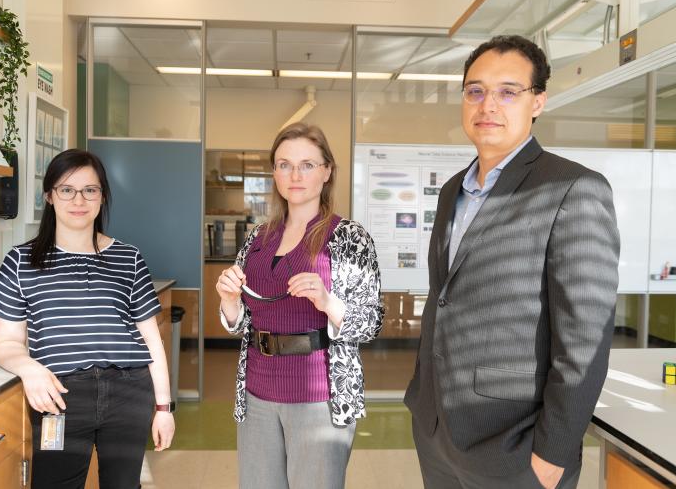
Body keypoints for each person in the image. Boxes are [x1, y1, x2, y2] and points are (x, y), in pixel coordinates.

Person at [404, 35, 620, 489]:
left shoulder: (571, 189)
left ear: (538, 101)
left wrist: (553, 453)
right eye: (476, 91)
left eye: (508, 91)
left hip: (516, 446)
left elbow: (584, 339)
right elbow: (445, 301)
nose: (488, 105)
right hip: (439, 433)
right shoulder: (451, 193)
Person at [0, 149, 175, 489]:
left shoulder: (128, 258)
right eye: (67, 189)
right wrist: (30, 369)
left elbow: (151, 340)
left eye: (90, 190)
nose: (79, 199)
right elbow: (7, 343)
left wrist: (164, 408)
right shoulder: (20, 261)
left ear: (102, 197)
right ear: (49, 195)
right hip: (58, 396)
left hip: (128, 391)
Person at [216, 122, 384, 489]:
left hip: (318, 396)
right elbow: (242, 322)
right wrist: (229, 302)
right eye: (284, 164)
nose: (295, 175)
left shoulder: (348, 238)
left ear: (327, 172)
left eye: (307, 164)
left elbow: (371, 322)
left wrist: (327, 301)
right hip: (257, 392)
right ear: (274, 172)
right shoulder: (257, 238)